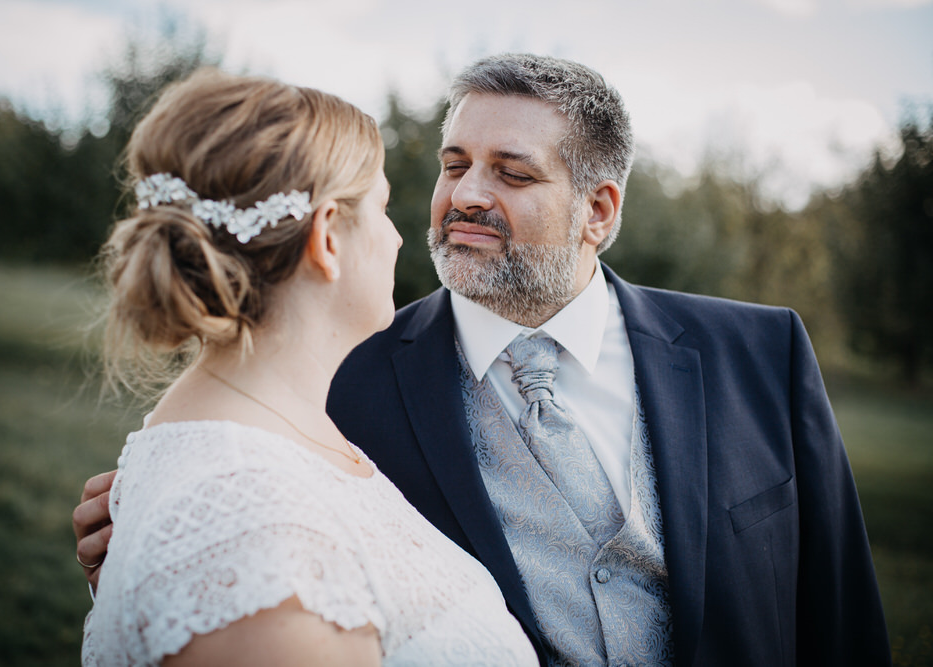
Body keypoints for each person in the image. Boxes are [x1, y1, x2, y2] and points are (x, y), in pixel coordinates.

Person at [76, 55, 892, 666]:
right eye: (454, 163)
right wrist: (152, 545)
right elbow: (239, 545)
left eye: (512, 172)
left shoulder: (760, 353)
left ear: (598, 211)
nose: (465, 194)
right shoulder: (335, 382)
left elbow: (842, 616)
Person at [76, 67, 538, 666]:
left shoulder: (275, 437)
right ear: (326, 238)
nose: (401, 239)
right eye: (383, 207)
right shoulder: (253, 528)